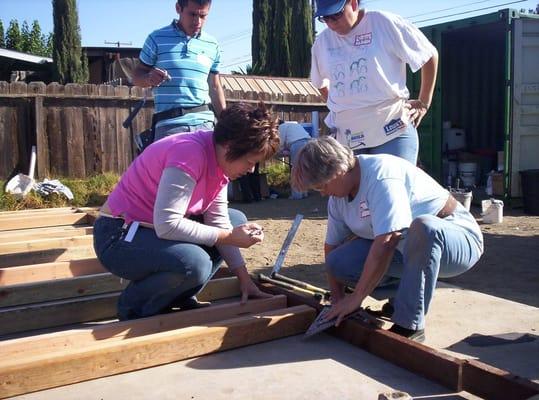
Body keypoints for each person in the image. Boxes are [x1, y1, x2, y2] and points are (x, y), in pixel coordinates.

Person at [93, 102, 279, 321]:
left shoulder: (220, 160)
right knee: (194, 263)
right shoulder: (189, 153)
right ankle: (133, 307)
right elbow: (168, 224)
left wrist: (245, 280)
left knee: (234, 219)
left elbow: (219, 223)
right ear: (229, 147)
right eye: (249, 162)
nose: (250, 170)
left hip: (150, 229)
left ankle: (177, 296)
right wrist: (229, 237)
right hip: (119, 237)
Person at [292, 137, 483, 341]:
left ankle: (410, 325)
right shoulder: (338, 199)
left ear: (337, 171)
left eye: (322, 187)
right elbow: (331, 247)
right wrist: (338, 300)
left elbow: (388, 240)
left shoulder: (381, 175)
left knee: (423, 227)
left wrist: (357, 298)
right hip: (407, 251)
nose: (323, 193)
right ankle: (403, 298)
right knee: (338, 262)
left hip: (458, 240)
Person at [311, 0, 438, 165]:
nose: (331, 24)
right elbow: (321, 84)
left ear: (354, 4)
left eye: (336, 15)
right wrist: (341, 106)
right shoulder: (322, 42)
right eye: (325, 18)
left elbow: (429, 55)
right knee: (351, 191)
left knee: (390, 188)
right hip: (348, 137)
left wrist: (423, 102)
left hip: (391, 129)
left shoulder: (383, 23)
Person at [133, 0, 226, 141]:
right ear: (178, 8)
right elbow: (136, 76)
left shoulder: (212, 45)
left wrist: (226, 121)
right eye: (192, 14)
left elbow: (214, 86)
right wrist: (148, 78)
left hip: (205, 125)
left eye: (203, 16)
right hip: (169, 126)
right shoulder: (156, 39)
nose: (198, 21)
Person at [278, 121, 312, 199]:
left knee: (296, 170)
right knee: (304, 170)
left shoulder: (281, 127)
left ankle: (297, 195)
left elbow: (281, 143)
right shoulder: (293, 125)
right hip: (309, 142)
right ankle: (304, 192)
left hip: (297, 144)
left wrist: (280, 151)